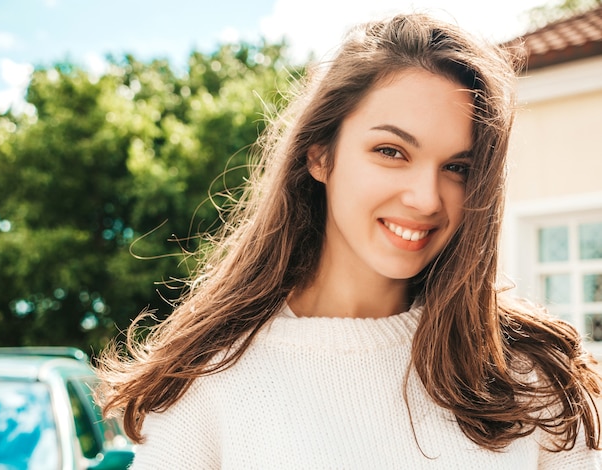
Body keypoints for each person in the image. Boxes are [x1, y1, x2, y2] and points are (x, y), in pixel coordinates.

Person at [97, 12, 602, 468]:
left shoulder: (531, 379)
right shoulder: (208, 385)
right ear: (320, 155)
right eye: (391, 151)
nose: (427, 199)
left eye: (457, 168)